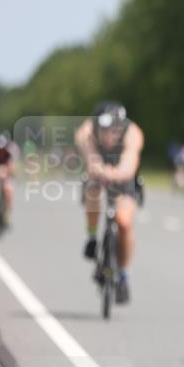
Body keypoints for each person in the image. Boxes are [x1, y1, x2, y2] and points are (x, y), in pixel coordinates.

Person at [75, 103, 145, 304]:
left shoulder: (133, 133)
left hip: (123, 175)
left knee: (123, 222)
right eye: (104, 130)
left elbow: (130, 163)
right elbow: (92, 160)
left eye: (114, 130)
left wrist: (117, 174)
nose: (109, 135)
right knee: (93, 191)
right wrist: (100, 171)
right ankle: (91, 236)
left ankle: (122, 273)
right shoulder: (85, 133)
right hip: (98, 171)